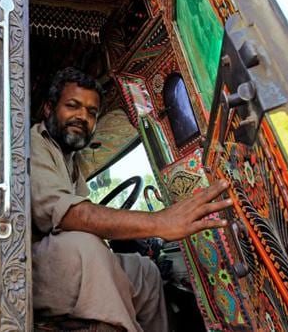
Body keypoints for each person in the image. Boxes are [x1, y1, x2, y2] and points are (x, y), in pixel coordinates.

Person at [30, 67, 232, 331]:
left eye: (92, 113)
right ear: (48, 109)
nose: (83, 116)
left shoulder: (71, 160)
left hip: (61, 268)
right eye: (72, 106)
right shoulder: (34, 144)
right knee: (84, 245)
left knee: (144, 270)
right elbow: (68, 216)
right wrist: (159, 222)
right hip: (26, 271)